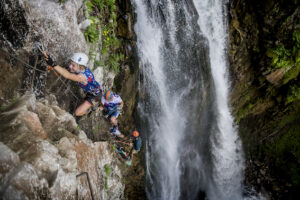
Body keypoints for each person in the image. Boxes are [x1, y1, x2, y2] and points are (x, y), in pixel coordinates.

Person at [42, 52, 102, 116]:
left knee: (77, 113)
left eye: (73, 65)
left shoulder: (82, 77)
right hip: (91, 89)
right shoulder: (80, 69)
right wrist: (47, 57)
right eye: (70, 63)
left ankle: (89, 111)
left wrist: (52, 64)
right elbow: (65, 70)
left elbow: (67, 75)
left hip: (95, 96)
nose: (70, 66)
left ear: (81, 67)